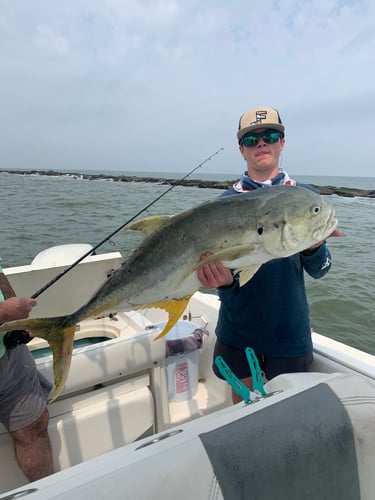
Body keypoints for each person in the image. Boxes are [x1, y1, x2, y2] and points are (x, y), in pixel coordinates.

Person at [197, 106, 341, 404]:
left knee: (289, 418)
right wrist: (223, 283)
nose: (261, 143)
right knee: (244, 415)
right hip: (237, 333)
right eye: (251, 140)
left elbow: (321, 270)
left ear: (282, 142)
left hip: (289, 333)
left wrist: (314, 247)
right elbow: (227, 283)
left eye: (270, 135)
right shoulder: (223, 206)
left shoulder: (305, 198)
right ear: (242, 150)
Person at [0, 262, 53, 481]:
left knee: (33, 426)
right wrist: (3, 313)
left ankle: (48, 494)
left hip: (9, 355)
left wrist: (15, 319)